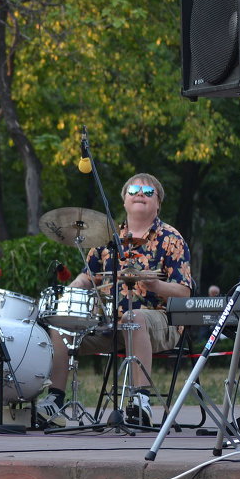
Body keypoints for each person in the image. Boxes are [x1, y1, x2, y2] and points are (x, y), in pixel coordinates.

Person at [42, 173, 194, 427]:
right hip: (109, 323)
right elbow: (87, 277)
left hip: (159, 322)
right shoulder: (106, 238)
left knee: (133, 318)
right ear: (124, 200)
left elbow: (185, 291)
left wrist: (156, 285)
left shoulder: (171, 238)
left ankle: (140, 402)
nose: (140, 194)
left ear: (158, 203)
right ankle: (54, 401)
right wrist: (68, 294)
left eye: (148, 192)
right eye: (134, 189)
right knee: (61, 325)